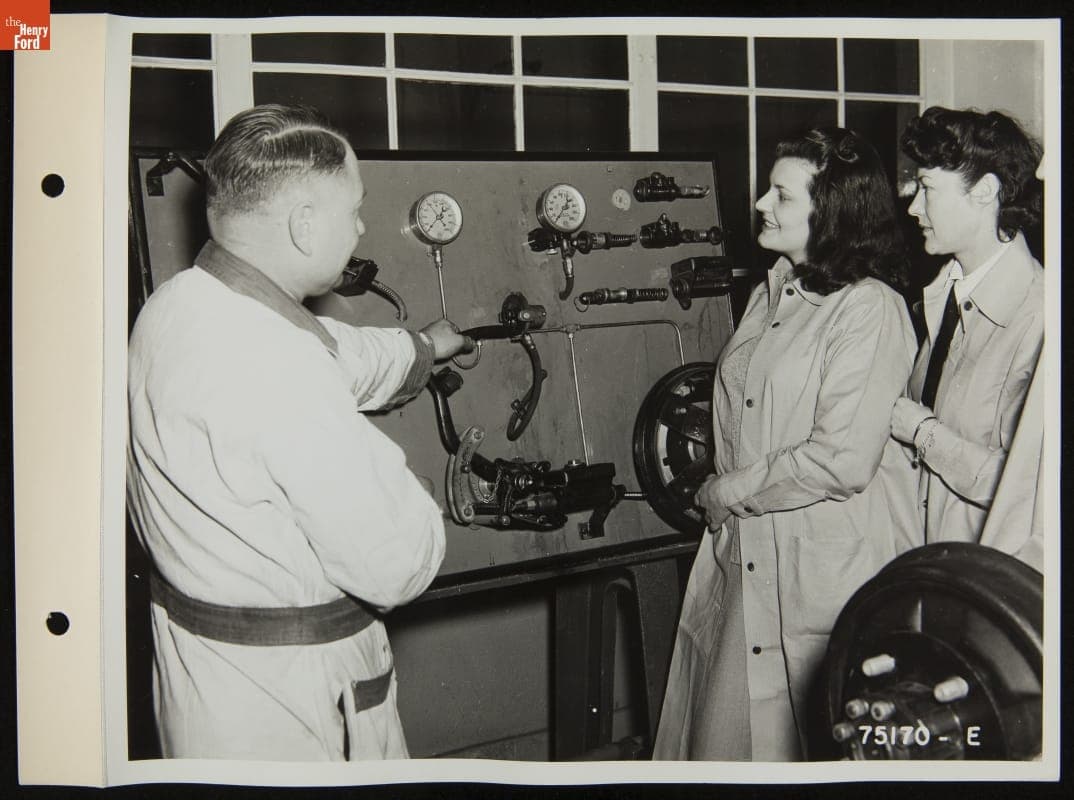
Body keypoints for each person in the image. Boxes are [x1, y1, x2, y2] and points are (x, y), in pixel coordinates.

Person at [126, 104, 469, 761]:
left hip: (210, 684)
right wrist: (424, 496)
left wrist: (424, 348)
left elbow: (330, 350)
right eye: (356, 210)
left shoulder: (182, 304)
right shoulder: (275, 367)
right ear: (306, 225)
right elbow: (396, 563)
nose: (363, 227)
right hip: (294, 709)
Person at [653, 128, 920, 761]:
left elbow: (843, 459)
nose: (761, 206)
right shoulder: (771, 291)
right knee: (726, 742)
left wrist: (725, 489)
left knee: (802, 746)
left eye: (781, 194)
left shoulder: (870, 308)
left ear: (833, 211)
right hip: (745, 554)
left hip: (820, 567)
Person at [890, 107, 1044, 567]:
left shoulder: (1039, 317)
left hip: (981, 581)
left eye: (928, 188)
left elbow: (1027, 489)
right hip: (923, 566)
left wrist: (923, 434)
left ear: (985, 191)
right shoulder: (942, 294)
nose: (914, 206)